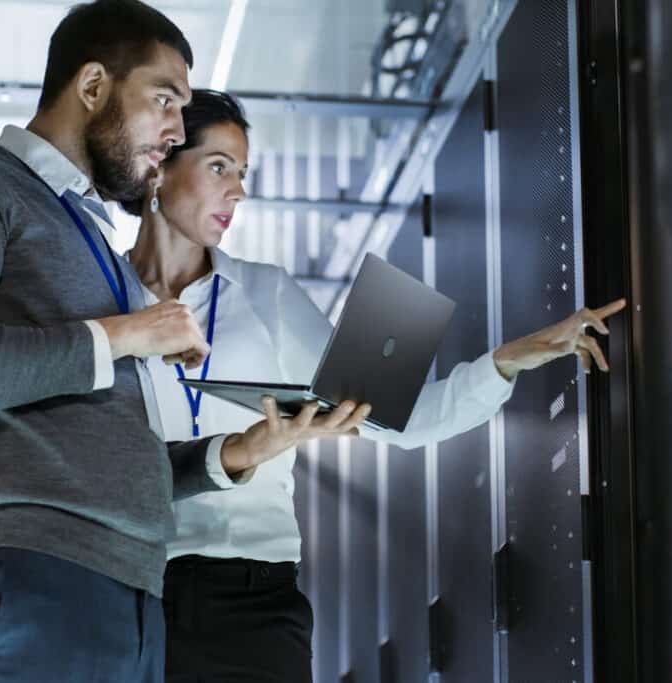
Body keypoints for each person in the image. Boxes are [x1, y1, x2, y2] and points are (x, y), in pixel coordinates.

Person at [0, 4, 366, 682]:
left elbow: (118, 454)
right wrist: (128, 332)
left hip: (135, 595)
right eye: (165, 98)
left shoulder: (95, 247)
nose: (175, 129)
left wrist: (238, 453)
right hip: (41, 575)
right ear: (92, 87)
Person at [122, 89, 627, 682]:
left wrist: (507, 362)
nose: (239, 191)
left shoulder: (268, 294)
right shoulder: (102, 301)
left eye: (243, 173)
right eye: (218, 167)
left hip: (253, 601)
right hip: (132, 592)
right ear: (160, 166)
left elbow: (400, 421)